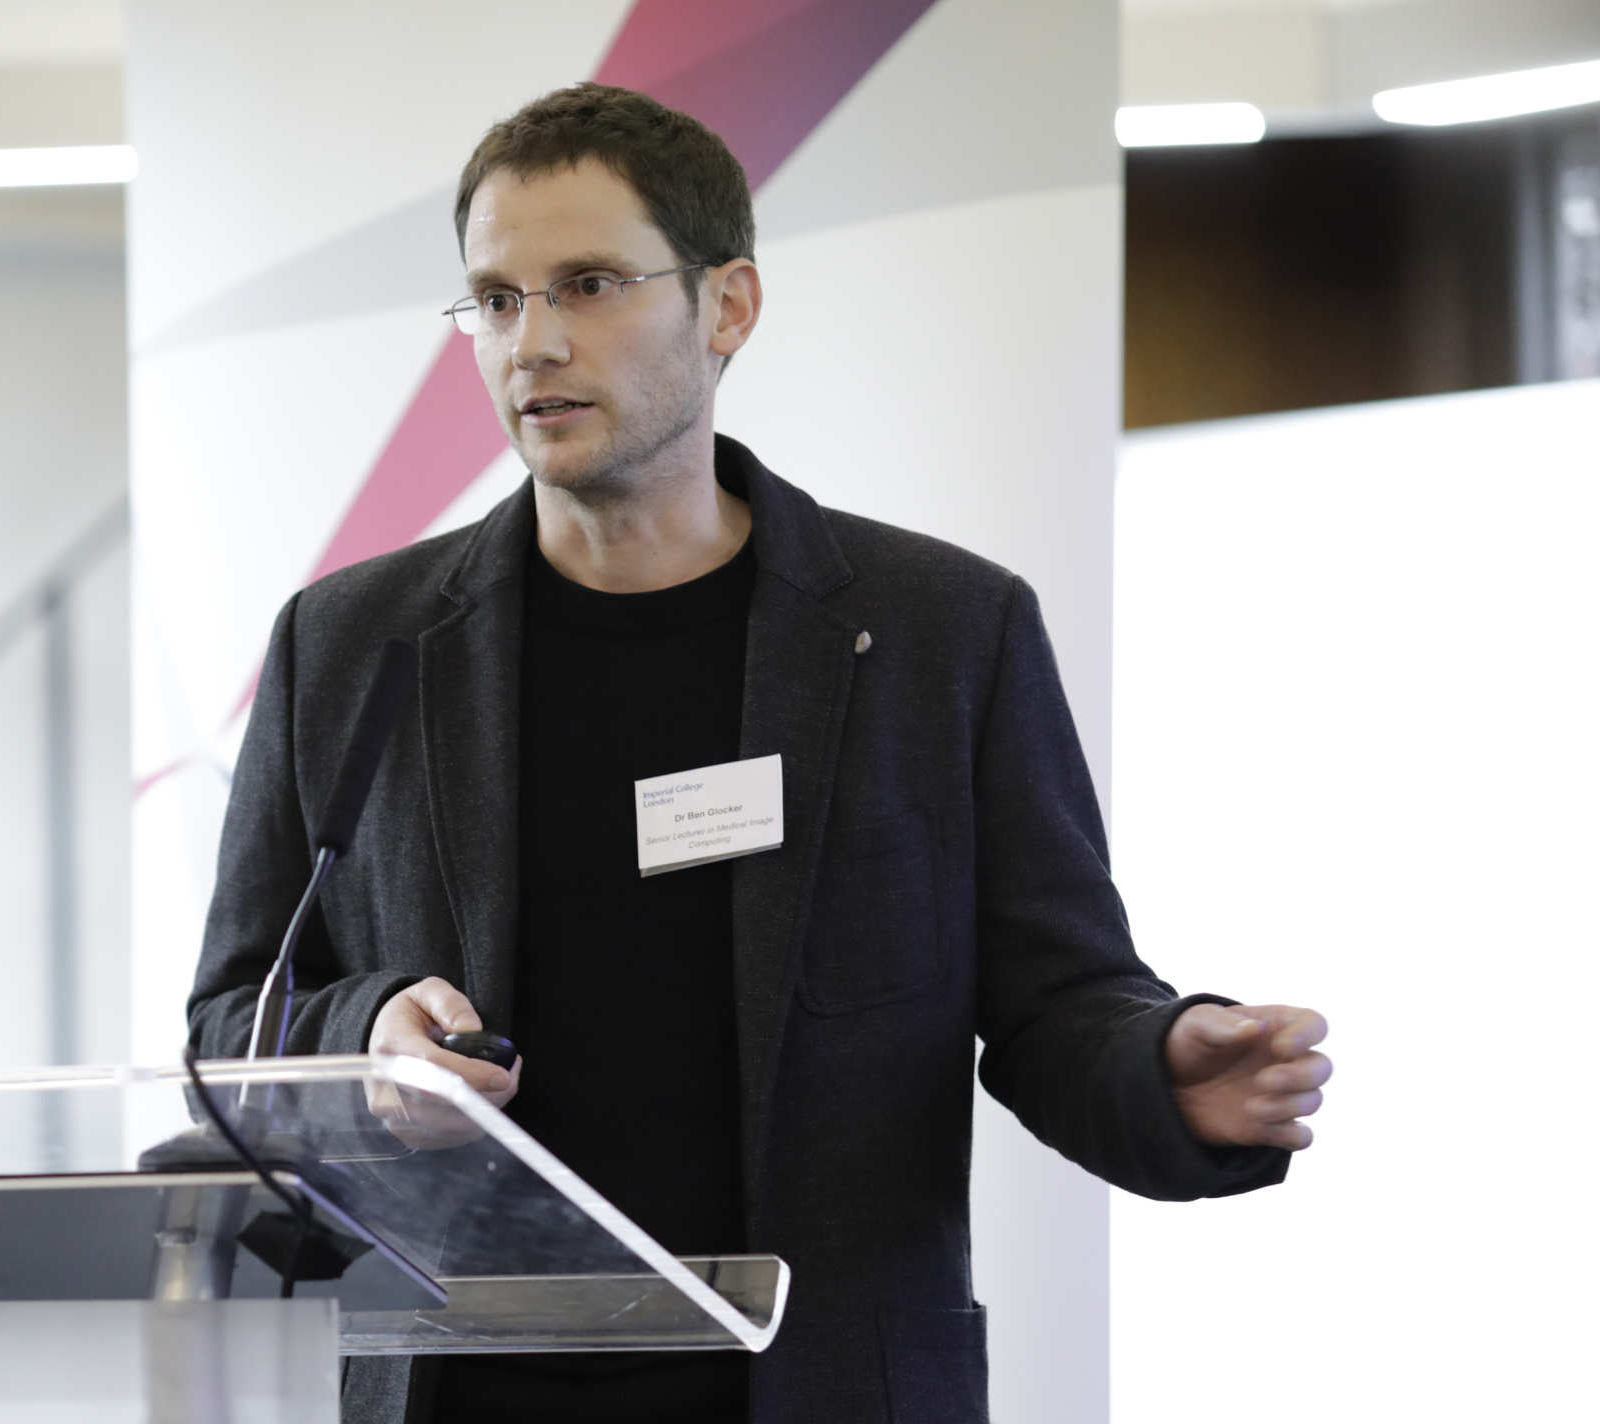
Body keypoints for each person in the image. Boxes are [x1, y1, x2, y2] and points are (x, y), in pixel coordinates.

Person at [189, 83, 1332, 1424]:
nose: (533, 342)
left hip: (816, 1383)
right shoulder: (353, 643)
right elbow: (234, 1023)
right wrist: (369, 1036)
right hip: (460, 1388)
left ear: (726, 305)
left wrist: (1161, 1071)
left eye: (590, 285)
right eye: (495, 299)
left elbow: (1055, 1002)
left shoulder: (938, 633)